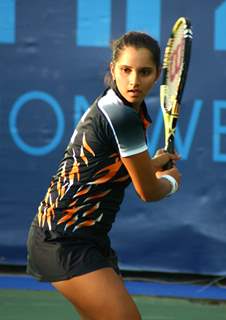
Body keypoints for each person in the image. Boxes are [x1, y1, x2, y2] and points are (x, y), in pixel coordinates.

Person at [27, 31, 181, 320]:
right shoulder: (123, 117)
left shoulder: (117, 104)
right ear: (113, 69)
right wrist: (173, 182)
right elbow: (147, 191)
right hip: (62, 240)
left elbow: (112, 166)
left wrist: (155, 161)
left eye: (145, 72)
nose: (134, 81)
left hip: (86, 236)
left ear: (157, 74)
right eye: (126, 70)